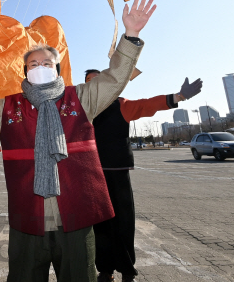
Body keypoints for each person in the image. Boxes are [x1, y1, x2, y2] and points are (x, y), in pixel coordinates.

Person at [0, 0, 156, 282]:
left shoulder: (80, 98)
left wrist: (131, 35)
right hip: (28, 221)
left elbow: (115, 78)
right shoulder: (9, 107)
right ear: (25, 71)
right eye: (32, 64)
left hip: (76, 219)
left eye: (46, 62)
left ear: (56, 69)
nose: (39, 67)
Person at [84, 71, 202, 282]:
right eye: (89, 82)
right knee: (99, 226)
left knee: (123, 223)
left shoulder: (121, 105)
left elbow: (148, 104)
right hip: (92, 175)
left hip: (117, 173)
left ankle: (128, 271)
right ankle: (105, 270)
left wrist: (179, 96)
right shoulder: (81, 110)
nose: (94, 85)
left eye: (98, 80)